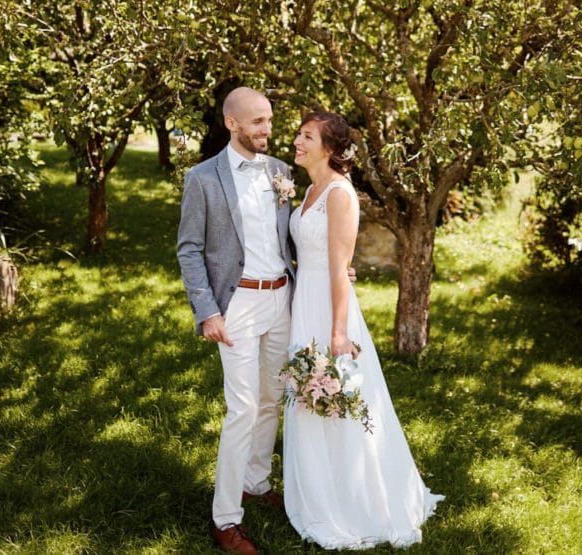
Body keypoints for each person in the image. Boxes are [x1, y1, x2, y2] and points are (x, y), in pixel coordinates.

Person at [283, 111, 444, 550]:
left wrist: (338, 334)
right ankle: (317, 491)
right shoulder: (310, 190)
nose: (297, 141)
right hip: (305, 302)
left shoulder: (339, 194)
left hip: (330, 309)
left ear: (330, 149)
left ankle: (355, 500)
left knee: (337, 397)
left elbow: (338, 268)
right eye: (299, 133)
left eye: (307, 136)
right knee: (306, 399)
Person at [177, 87, 295, 554]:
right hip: (238, 305)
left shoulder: (281, 171)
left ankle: (257, 483)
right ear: (232, 124)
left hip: (281, 300)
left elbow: (289, 238)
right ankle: (225, 518)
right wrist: (206, 310)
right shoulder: (203, 178)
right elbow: (189, 249)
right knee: (242, 409)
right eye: (257, 122)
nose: (267, 129)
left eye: (269, 120)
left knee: (271, 398)